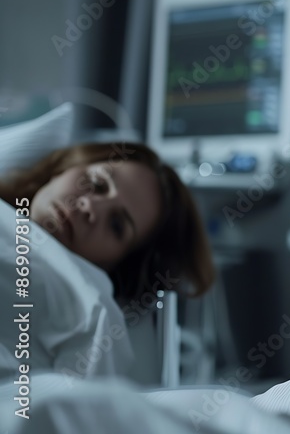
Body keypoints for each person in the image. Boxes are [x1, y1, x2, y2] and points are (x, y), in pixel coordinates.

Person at [0, 142, 215, 376]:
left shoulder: (92, 314)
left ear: (117, 264)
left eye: (116, 226)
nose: (90, 206)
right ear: (64, 167)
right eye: (97, 184)